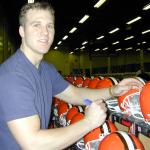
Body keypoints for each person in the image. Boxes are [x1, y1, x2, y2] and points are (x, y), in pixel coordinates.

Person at [0, 2, 144, 150]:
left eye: (50, 26)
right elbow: (33, 143)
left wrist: (113, 91)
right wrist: (88, 122)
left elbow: (74, 94)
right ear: (22, 31)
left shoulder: (46, 69)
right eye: (36, 25)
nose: (45, 32)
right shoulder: (13, 76)